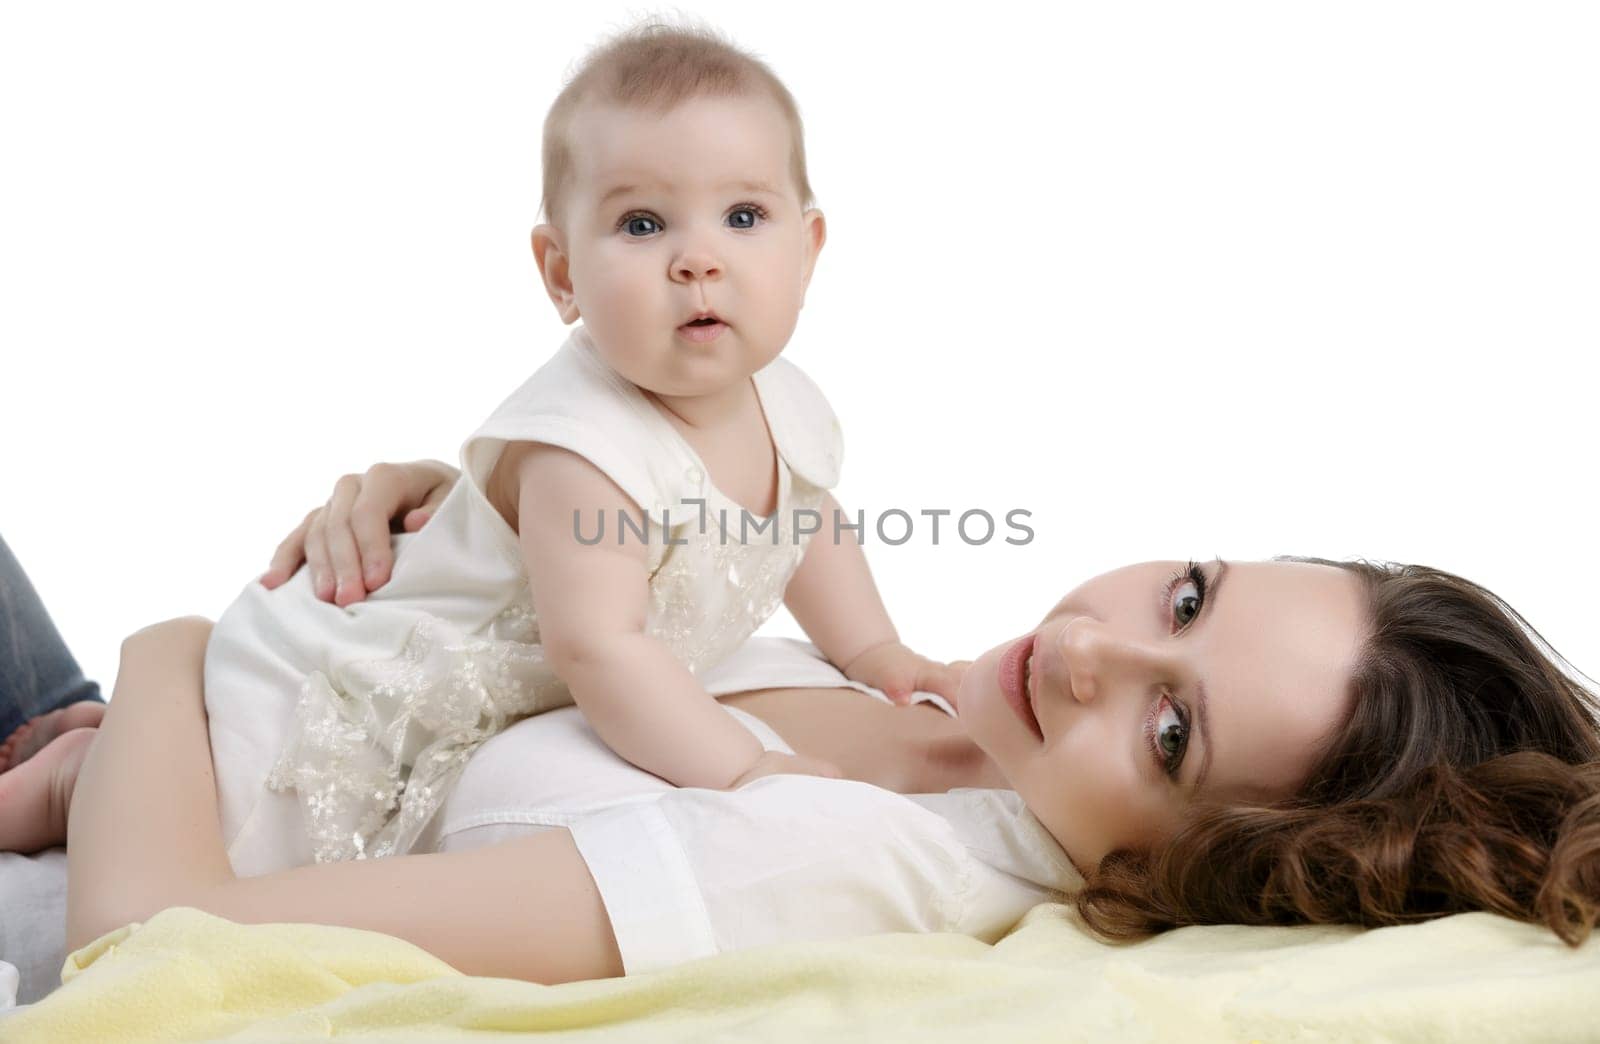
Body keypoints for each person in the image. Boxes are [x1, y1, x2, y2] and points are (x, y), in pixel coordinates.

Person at [1, 456, 1598, 991]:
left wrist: (165, 650)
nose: (1092, 646)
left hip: (75, 854)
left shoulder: (845, 866)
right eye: (1187, 596)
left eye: (1170, 736)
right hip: (99, 757)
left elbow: (160, 927)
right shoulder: (933, 697)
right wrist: (464, 518)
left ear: (1218, 870)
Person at [200, 18, 964, 875]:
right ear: (561, 274)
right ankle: (66, 782)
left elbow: (804, 522)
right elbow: (600, 647)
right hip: (357, 688)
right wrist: (746, 770)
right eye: (643, 225)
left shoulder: (789, 401)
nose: (697, 260)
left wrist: (874, 653)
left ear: (808, 251)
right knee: (237, 814)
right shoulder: (581, 448)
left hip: (502, 711)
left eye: (743, 215)